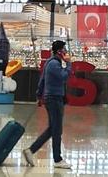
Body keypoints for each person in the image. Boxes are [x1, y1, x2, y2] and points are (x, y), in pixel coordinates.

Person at [24, 40, 72, 169]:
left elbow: (42, 80)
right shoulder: (54, 65)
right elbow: (64, 77)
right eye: (64, 49)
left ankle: (31, 150)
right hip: (54, 99)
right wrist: (68, 64)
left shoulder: (49, 63)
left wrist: (39, 94)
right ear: (59, 51)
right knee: (57, 129)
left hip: (52, 98)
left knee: (53, 128)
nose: (66, 52)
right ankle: (57, 159)